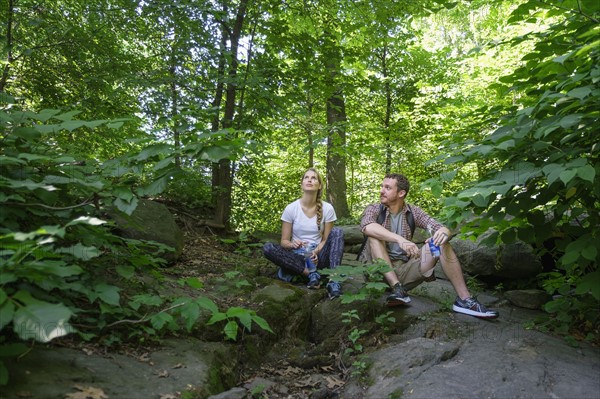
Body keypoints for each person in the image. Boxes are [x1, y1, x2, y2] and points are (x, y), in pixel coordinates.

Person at [359, 172, 499, 319]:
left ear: (401, 193)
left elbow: (439, 227)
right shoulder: (374, 209)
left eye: (387, 187)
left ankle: (464, 300)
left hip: (405, 271)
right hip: (377, 272)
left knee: (442, 243)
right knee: (373, 236)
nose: (381, 190)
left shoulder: (413, 212)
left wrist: (444, 233)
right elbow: (367, 226)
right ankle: (396, 288)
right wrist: (400, 239)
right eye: (382, 186)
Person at [263, 168, 345, 299]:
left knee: (337, 232)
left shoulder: (327, 208)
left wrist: (315, 252)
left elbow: (325, 239)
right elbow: (284, 242)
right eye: (306, 177)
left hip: (318, 256)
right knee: (268, 247)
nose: (310, 180)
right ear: (302, 184)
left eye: (314, 178)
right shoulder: (291, 208)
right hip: (298, 257)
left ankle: (334, 281)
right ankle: (311, 274)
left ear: (319, 185)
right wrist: (292, 244)